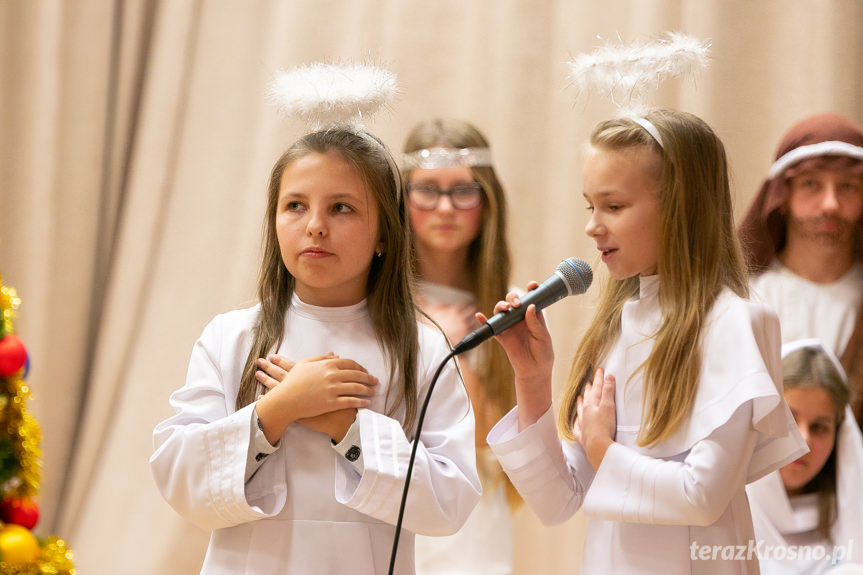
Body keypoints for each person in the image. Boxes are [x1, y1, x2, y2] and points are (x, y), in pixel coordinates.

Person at [483, 109, 807, 574]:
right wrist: (532, 378)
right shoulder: (615, 327)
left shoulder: (735, 325)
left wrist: (603, 450)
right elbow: (559, 503)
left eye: (613, 206)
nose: (593, 226)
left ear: (681, 206)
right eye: (589, 206)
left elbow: (702, 497)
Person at [149, 127, 481, 574]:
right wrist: (281, 409)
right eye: (295, 206)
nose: (315, 226)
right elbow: (181, 481)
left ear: (384, 233)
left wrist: (347, 428)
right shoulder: (231, 337)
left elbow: (450, 499)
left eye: (341, 208)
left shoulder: (421, 348)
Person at [401, 118, 519, 575]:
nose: (445, 207)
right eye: (427, 190)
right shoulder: (372, 303)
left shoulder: (509, 306)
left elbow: (498, 440)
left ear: (487, 204)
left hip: (474, 527)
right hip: (391, 512)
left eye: (463, 191)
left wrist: (449, 348)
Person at [738, 113, 863, 429]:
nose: (831, 204)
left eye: (848, 187)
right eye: (811, 184)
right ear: (783, 195)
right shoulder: (744, 297)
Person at [747, 339, 863, 574]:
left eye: (819, 427)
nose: (804, 439)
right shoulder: (719, 509)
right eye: (788, 419)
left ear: (839, 438)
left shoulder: (850, 522)